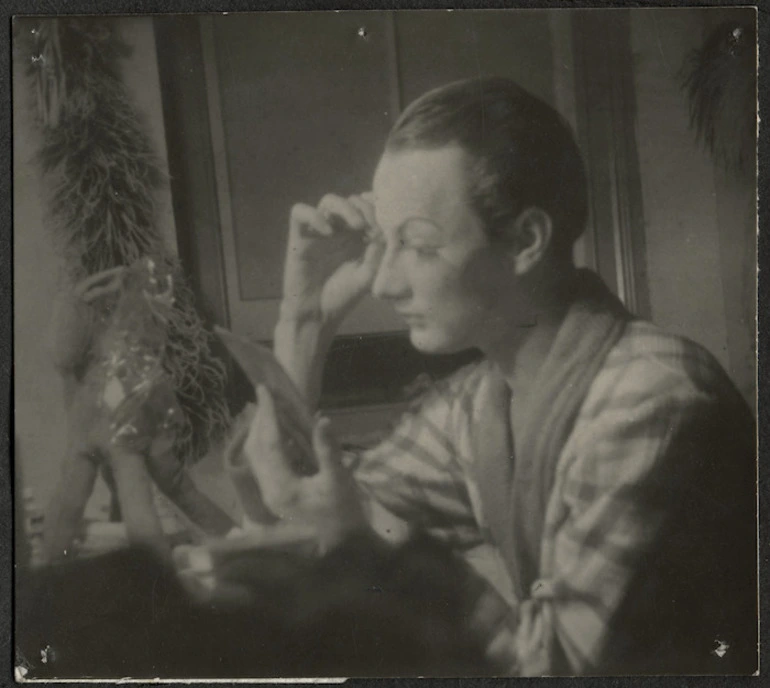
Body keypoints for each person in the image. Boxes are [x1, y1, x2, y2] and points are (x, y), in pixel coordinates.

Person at [239, 77, 757, 675]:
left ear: (525, 241)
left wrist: (369, 542)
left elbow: (556, 668)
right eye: (386, 243)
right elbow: (306, 511)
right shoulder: (480, 403)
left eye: (420, 246)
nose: (383, 284)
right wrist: (304, 325)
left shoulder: (652, 401)